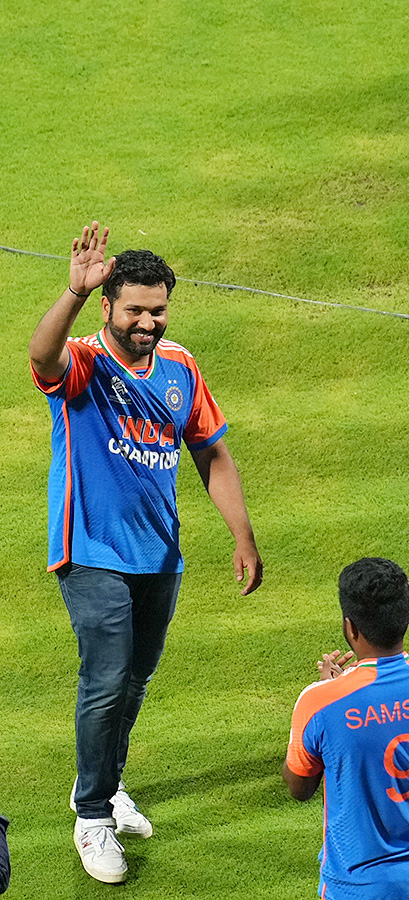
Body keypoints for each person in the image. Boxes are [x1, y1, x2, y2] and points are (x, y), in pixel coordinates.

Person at [29, 223, 263, 884]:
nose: (146, 321)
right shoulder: (83, 360)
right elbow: (41, 358)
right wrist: (71, 294)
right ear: (108, 307)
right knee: (106, 676)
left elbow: (211, 452)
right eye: (134, 309)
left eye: (157, 309)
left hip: (159, 555)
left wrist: (241, 535)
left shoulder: (180, 367)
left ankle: (105, 780)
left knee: (133, 680)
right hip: (90, 549)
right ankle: (93, 817)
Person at [283, 559, 409, 900]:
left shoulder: (320, 702)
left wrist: (333, 691)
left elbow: (299, 787)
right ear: (408, 613)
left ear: (350, 628)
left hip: (361, 889)